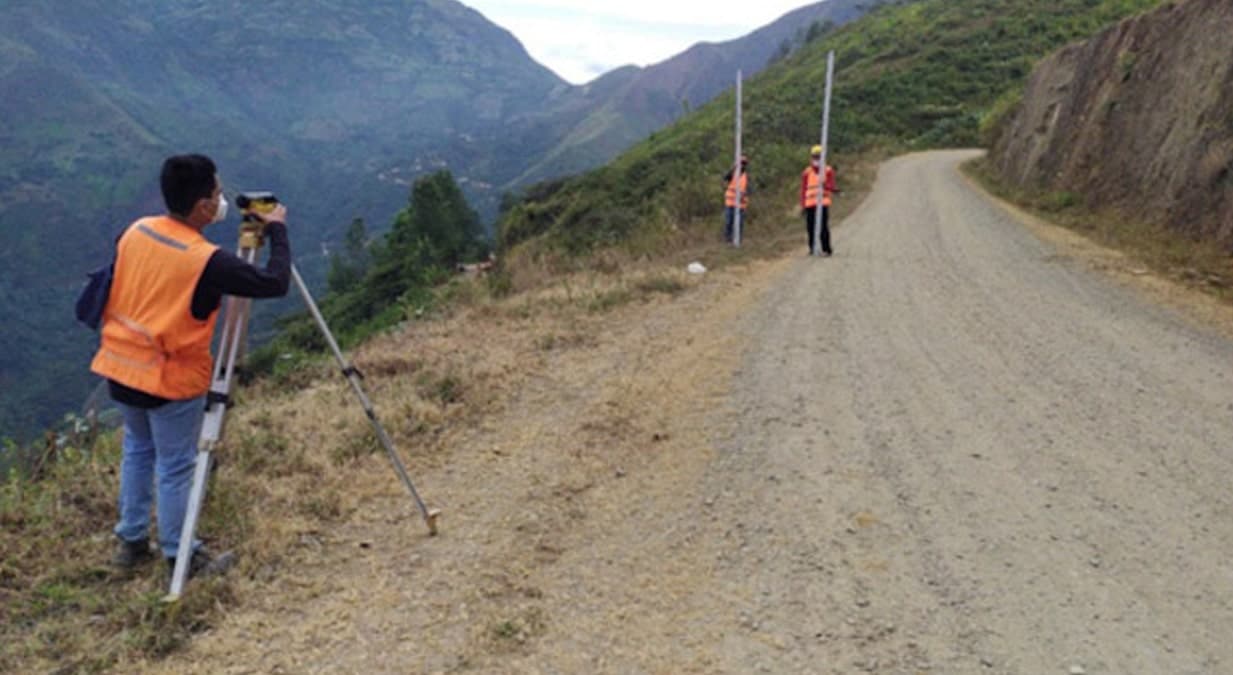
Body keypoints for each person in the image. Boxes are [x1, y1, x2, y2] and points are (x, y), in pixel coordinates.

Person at [91, 154, 292, 578]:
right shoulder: (209, 261)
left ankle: (129, 543)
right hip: (169, 378)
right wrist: (277, 230)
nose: (221, 200)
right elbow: (275, 283)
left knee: (137, 450)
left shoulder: (136, 231)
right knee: (176, 466)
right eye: (217, 194)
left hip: (120, 366)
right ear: (202, 206)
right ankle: (182, 555)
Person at [800, 145, 838, 256]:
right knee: (810, 227)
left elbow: (831, 185)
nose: (816, 159)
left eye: (819, 156)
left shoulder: (828, 170)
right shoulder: (806, 172)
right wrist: (803, 205)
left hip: (823, 203)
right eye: (815, 156)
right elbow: (803, 189)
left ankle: (826, 249)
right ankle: (812, 248)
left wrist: (826, 185)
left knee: (823, 227)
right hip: (810, 203)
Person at [723, 155, 750, 243]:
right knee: (729, 222)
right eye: (741, 163)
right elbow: (725, 178)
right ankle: (728, 240)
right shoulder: (732, 173)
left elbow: (749, 189)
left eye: (744, 163)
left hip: (741, 204)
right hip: (730, 203)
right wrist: (733, 167)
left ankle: (738, 240)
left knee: (739, 224)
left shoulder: (746, 176)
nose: (742, 165)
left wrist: (745, 194)